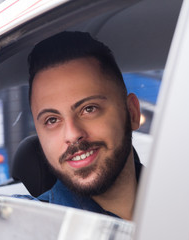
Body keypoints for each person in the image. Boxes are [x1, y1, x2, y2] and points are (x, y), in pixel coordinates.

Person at [27, 31, 142, 220]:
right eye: (52, 120)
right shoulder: (28, 226)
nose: (72, 134)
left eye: (89, 109)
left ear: (132, 113)